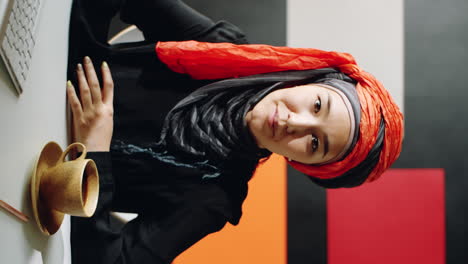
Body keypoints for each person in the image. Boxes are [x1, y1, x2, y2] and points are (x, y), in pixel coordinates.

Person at [66, 0, 404, 263]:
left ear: (306, 164)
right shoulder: (223, 51)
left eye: (315, 143)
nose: (295, 123)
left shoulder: (213, 197)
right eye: (317, 105)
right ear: (311, 79)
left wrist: (94, 153)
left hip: (42, 176)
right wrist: (69, 55)